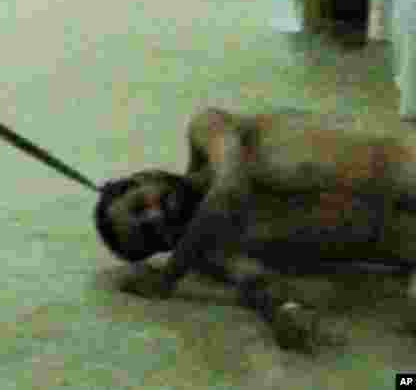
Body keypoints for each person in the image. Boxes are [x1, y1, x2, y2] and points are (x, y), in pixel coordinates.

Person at [94, 107, 416, 351]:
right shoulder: (215, 249)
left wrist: (167, 278)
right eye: (150, 236)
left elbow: (230, 187)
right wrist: (285, 315)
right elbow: (257, 284)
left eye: (139, 205)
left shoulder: (207, 130)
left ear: (147, 175)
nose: (154, 217)